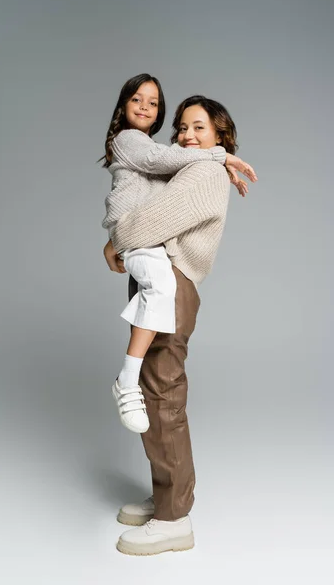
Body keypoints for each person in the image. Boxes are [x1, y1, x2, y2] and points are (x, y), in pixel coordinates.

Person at [103, 91, 257, 556]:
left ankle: (175, 519)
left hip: (175, 281)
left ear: (220, 135)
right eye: (183, 128)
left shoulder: (207, 172)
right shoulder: (191, 166)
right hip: (162, 280)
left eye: (200, 128)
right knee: (155, 390)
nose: (187, 135)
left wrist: (116, 242)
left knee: (163, 394)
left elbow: (151, 219)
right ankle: (166, 496)